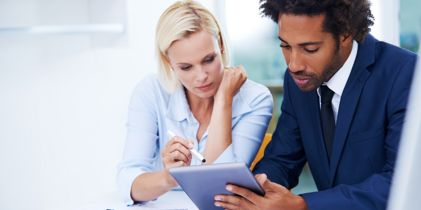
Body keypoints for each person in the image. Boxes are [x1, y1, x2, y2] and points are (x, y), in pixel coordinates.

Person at [214, 0, 417, 210]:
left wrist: (303, 205)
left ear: (345, 34)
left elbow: (401, 183)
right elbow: (282, 159)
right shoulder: (298, 82)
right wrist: (255, 192)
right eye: (285, 46)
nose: (294, 64)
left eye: (309, 49)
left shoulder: (406, 74)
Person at [116, 0, 273, 205]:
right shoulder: (151, 92)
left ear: (222, 47)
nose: (201, 77)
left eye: (209, 60)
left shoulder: (255, 99)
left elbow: (222, 187)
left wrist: (223, 100)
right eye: (186, 67)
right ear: (168, 63)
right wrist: (170, 176)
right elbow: (128, 181)